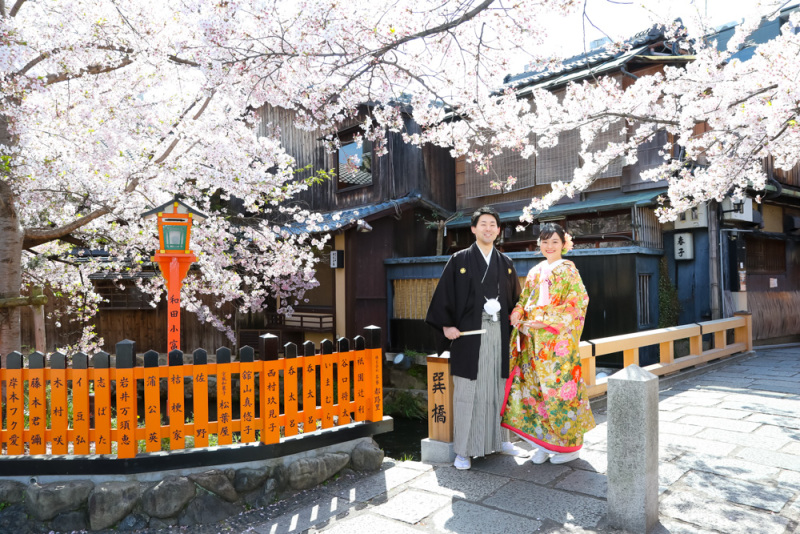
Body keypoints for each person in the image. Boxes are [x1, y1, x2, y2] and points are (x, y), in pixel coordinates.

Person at [426, 207, 525, 470]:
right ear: (473, 229)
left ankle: (500, 440)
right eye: (483, 224)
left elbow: (517, 300)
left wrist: (517, 314)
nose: (488, 228)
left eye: (493, 224)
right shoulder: (459, 260)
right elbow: (444, 295)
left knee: (497, 386)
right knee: (468, 391)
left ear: (499, 230)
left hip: (498, 335)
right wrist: (447, 325)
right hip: (470, 336)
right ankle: (463, 451)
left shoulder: (506, 264)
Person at [500, 222, 595, 464]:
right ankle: (541, 443)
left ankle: (569, 448)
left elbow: (578, 303)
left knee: (559, 395)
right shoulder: (535, 271)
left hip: (557, 347)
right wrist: (518, 312)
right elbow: (525, 298)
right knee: (534, 393)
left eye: (554, 241)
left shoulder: (569, 271)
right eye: (545, 241)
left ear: (564, 244)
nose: (549, 246)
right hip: (533, 343)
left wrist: (544, 319)